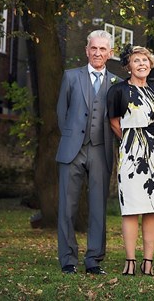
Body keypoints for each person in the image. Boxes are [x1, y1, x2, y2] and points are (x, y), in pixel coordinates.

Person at [55, 30, 118, 275]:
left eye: (103, 49)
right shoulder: (71, 77)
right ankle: (67, 259)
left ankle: (93, 260)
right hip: (73, 150)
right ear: (86, 50)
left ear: (109, 53)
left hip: (101, 150)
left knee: (98, 207)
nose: (98, 53)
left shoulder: (116, 83)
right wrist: (73, 138)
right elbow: (62, 113)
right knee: (67, 207)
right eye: (94, 48)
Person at [107, 46, 154, 276]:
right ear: (128, 66)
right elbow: (114, 121)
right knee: (131, 208)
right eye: (136, 60)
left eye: (145, 60)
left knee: (152, 208)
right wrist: (132, 141)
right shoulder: (119, 90)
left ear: (150, 64)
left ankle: (149, 262)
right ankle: (130, 260)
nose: (141, 63)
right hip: (132, 152)